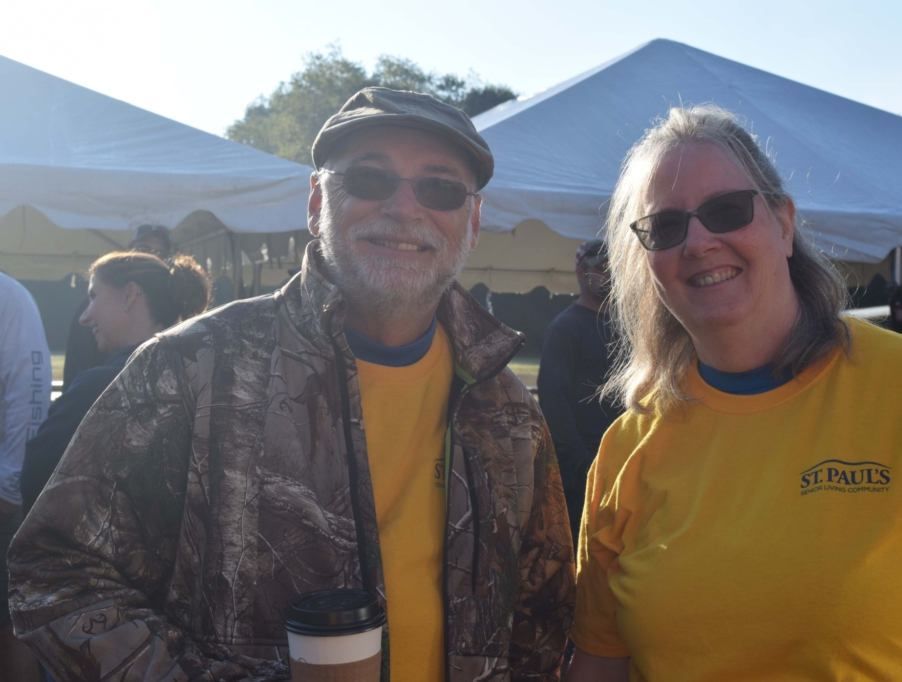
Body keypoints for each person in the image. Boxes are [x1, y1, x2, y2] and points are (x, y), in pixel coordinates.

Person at [10, 88, 573, 681]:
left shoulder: (507, 409)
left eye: (440, 188)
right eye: (370, 178)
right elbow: (53, 570)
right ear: (317, 201)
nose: (405, 207)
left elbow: (542, 617)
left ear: (473, 221)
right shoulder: (192, 367)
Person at [566, 105, 902, 681]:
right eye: (665, 227)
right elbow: (599, 665)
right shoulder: (625, 450)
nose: (699, 242)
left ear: (784, 224)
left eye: (727, 210)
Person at [20, 252, 209, 513]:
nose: (84, 317)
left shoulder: (101, 387)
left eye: (93, 296)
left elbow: (36, 479)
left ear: (129, 295)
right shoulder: (202, 381)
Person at [538, 239, 622, 544]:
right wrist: (581, 460)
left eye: (614, 268)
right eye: (600, 268)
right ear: (580, 271)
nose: (608, 274)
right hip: (582, 471)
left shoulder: (626, 324)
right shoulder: (565, 329)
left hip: (622, 461)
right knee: (583, 547)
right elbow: (552, 400)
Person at [0, 271, 50, 682]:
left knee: (9, 627)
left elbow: (28, 390)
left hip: (0, 502)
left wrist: (8, 487)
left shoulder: (8, 297)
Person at [62, 225, 173, 386]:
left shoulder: (175, 308)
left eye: (161, 253)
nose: (152, 256)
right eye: (143, 249)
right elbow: (75, 372)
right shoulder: (92, 310)